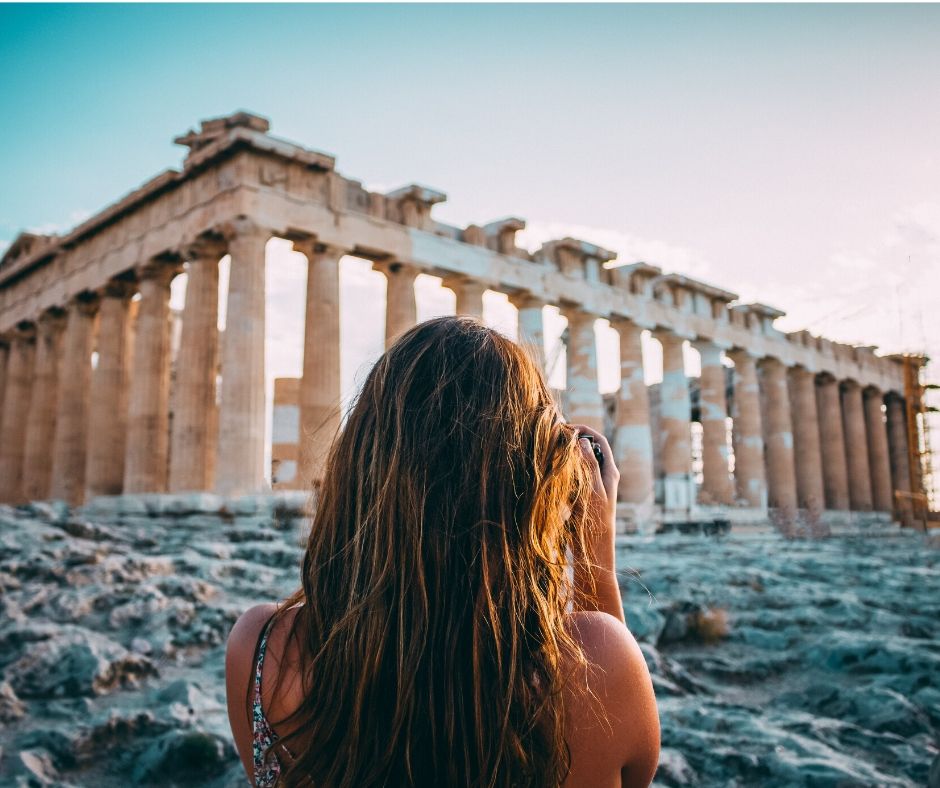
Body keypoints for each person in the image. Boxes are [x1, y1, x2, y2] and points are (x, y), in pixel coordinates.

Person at [225, 315, 660, 787]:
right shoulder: (597, 662)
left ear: (360, 458)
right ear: (532, 480)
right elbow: (630, 776)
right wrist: (595, 551)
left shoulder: (260, 648)